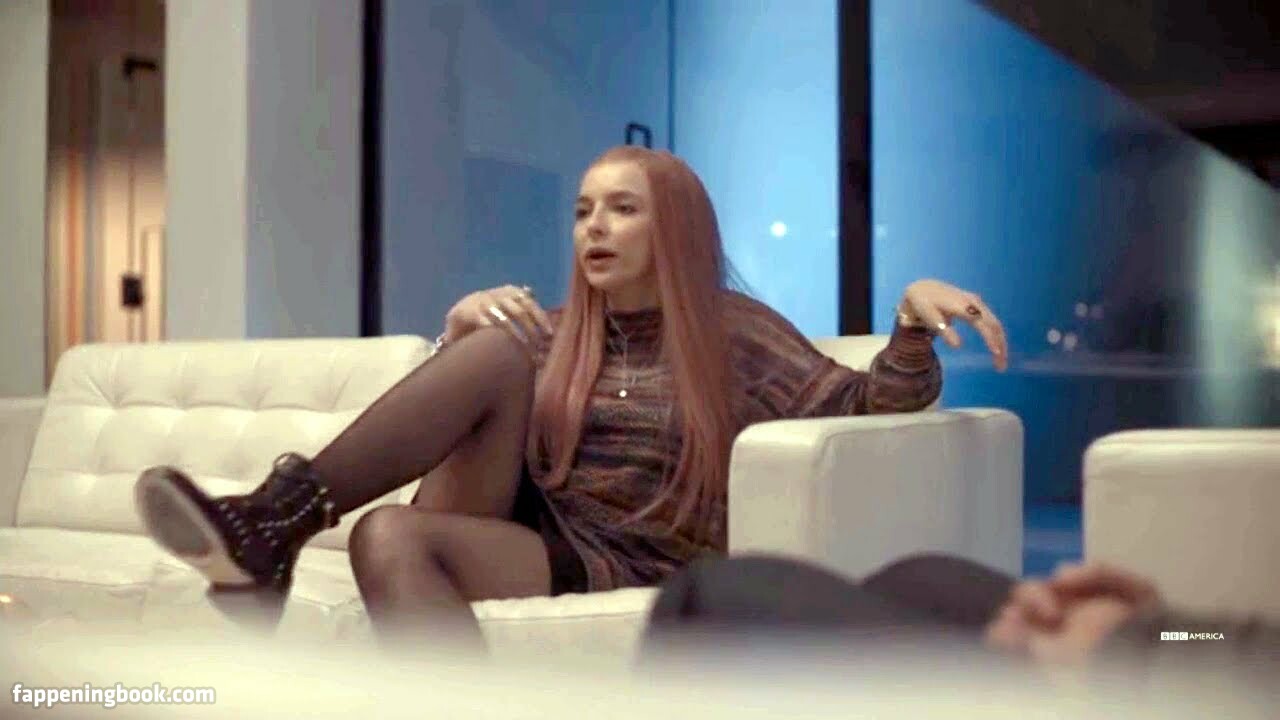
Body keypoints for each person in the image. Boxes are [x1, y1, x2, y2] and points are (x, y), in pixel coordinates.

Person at [132, 146, 1009, 653]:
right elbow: (466, 437)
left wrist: (910, 320)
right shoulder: (550, 333)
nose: (595, 226)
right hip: (543, 538)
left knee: (390, 527)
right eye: (584, 210)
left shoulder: (734, 333)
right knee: (484, 360)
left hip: (644, 560)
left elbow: (869, 405)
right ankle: (274, 526)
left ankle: (270, 528)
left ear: (674, 230)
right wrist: (455, 340)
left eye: (622, 209)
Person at [639, 553, 1279, 694]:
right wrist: (1154, 628)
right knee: (915, 578)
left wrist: (1113, 663)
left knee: (709, 598)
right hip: (1196, 661)